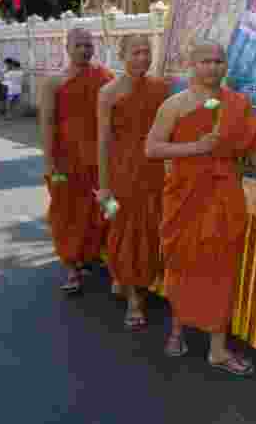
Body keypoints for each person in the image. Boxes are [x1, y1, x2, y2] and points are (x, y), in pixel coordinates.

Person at [145, 40, 256, 374]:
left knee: (221, 271)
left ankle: (218, 349)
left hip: (224, 197)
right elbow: (152, 148)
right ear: (192, 64)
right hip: (185, 196)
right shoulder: (174, 106)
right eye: (206, 61)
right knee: (181, 263)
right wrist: (194, 147)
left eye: (219, 61)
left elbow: (254, 150)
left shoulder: (238, 104)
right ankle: (177, 330)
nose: (213, 67)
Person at [96, 35, 170, 330]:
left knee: (150, 230)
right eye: (136, 52)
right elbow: (103, 141)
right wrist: (103, 187)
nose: (142, 58)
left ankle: (139, 283)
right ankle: (133, 298)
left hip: (153, 169)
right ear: (122, 54)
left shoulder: (160, 88)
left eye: (146, 52)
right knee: (121, 230)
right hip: (121, 172)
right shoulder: (108, 93)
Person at [38, 28, 115, 294]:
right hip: (66, 161)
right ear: (67, 47)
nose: (84, 49)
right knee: (66, 212)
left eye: (88, 45)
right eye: (79, 45)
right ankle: (71, 267)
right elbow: (47, 123)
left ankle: (94, 255)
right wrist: (49, 162)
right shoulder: (54, 82)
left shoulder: (104, 77)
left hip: (99, 159)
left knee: (104, 209)